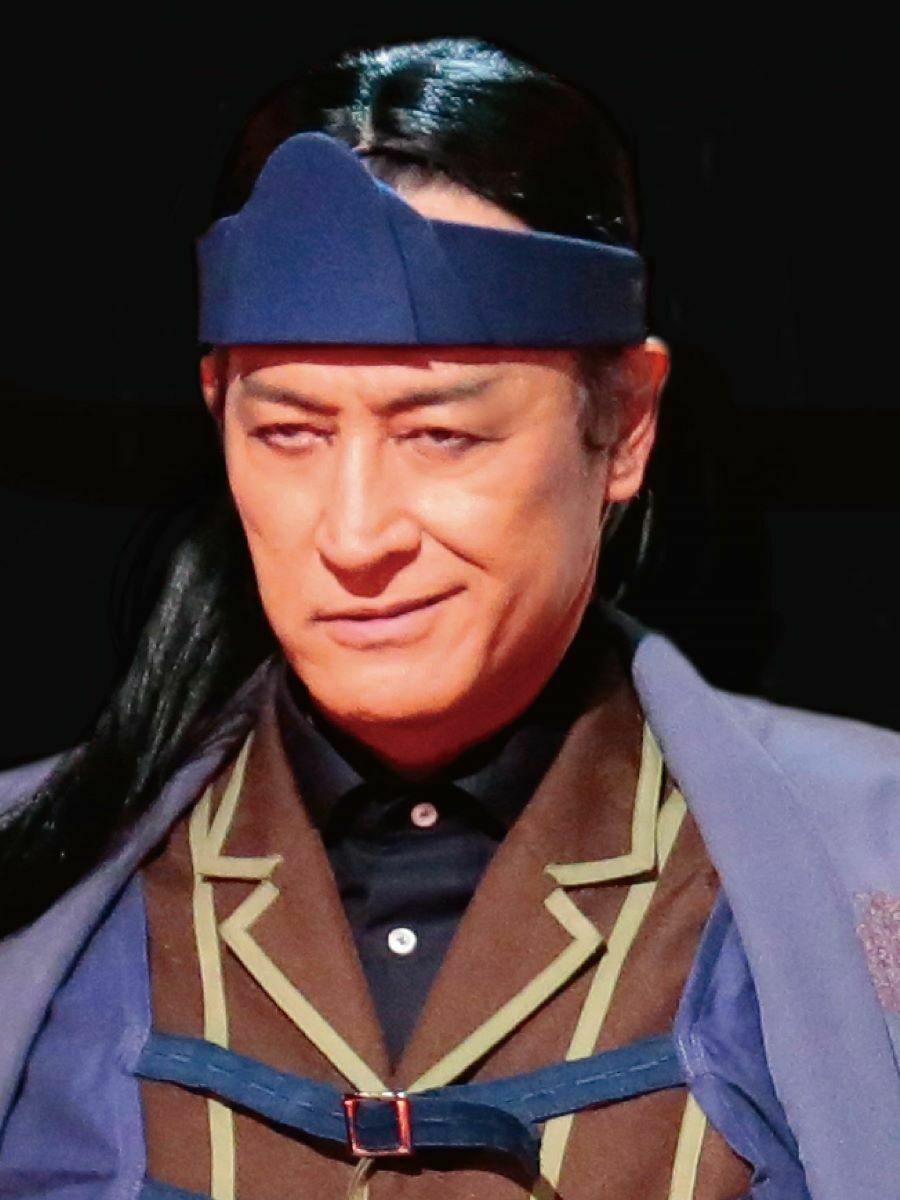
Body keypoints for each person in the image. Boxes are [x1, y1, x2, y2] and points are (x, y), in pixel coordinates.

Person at [0, 35, 898, 1200]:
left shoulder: (870, 857)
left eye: (442, 436)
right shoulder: (34, 883)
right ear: (218, 414)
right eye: (289, 435)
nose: (355, 533)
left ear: (625, 426)